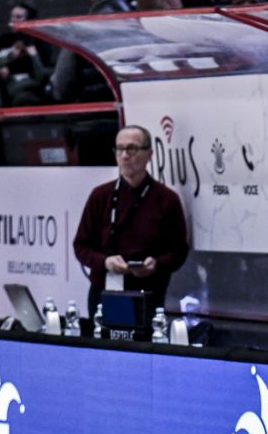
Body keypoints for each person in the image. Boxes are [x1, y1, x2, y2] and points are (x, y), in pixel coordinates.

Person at [73, 125, 190, 317]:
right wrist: (105, 262)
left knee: (144, 335)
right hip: (106, 288)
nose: (125, 156)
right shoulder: (101, 195)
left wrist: (156, 264)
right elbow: (81, 246)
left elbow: (178, 251)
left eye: (132, 149)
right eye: (119, 149)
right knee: (103, 336)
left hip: (148, 291)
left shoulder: (167, 199)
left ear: (149, 154)